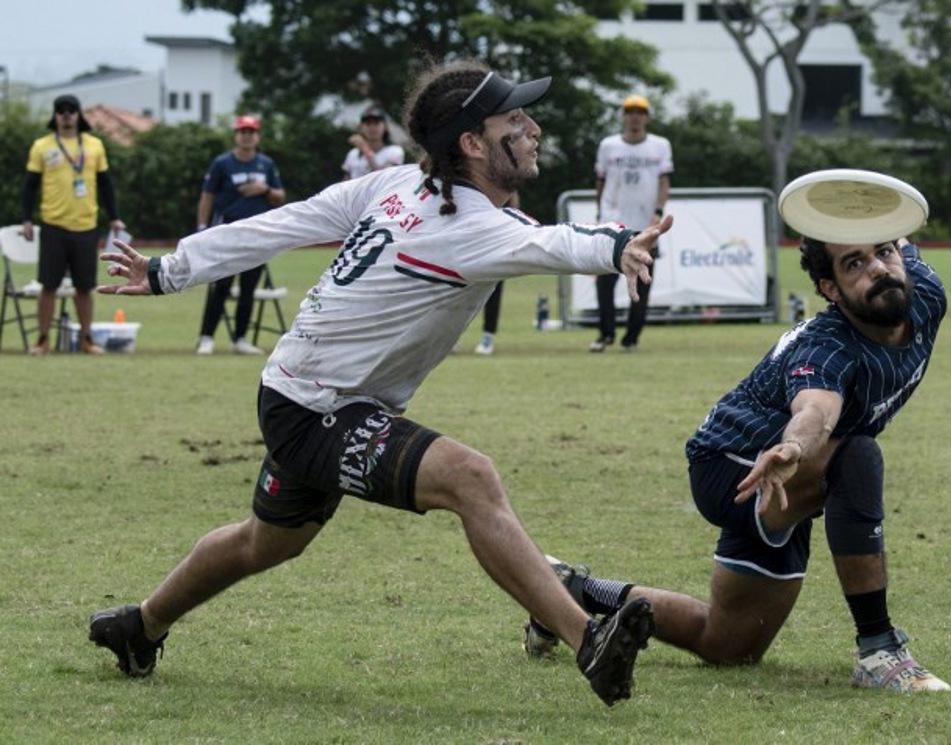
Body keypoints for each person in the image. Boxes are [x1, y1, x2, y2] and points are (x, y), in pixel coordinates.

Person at [87, 61, 667, 707]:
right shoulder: (467, 225)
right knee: (469, 477)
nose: (532, 127)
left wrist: (172, 268)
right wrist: (618, 246)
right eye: (514, 119)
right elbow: (562, 242)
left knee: (266, 541)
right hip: (316, 407)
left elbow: (286, 223)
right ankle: (589, 640)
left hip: (296, 392)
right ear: (472, 144)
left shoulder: (400, 184)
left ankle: (140, 626)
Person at [524, 225, 951, 692]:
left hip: (795, 473)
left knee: (729, 646)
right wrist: (792, 448)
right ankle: (879, 649)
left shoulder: (924, 293)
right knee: (858, 456)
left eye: (884, 253)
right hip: (732, 465)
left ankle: (568, 590)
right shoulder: (827, 346)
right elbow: (815, 411)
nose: (878, 268)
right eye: (854, 264)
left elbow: (895, 225)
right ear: (830, 289)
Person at [20, 94, 125, 355]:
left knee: (84, 287)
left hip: (86, 226)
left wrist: (114, 216)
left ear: (79, 115)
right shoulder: (42, 146)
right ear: (55, 116)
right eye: (61, 111)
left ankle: (87, 339)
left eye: (71, 110)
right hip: (54, 225)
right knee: (49, 286)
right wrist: (26, 218)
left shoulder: (94, 145)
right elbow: (30, 187)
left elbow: (106, 184)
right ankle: (43, 340)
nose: (66, 115)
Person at [194, 115, 286, 355]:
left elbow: (279, 196)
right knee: (221, 285)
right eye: (242, 131)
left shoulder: (266, 164)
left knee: (248, 288)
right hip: (228, 232)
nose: (246, 136)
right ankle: (206, 338)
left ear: (257, 136)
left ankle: (240, 338)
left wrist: (263, 189)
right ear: (236, 135)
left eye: (251, 131)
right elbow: (207, 196)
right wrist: (202, 227)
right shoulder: (222, 163)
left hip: (257, 234)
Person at [590, 94, 672, 352]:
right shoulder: (608, 145)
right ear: (623, 116)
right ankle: (606, 334)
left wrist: (658, 211)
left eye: (639, 111)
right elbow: (600, 181)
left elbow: (664, 181)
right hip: (613, 221)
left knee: (642, 282)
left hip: (645, 224)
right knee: (604, 280)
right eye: (629, 111)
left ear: (647, 117)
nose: (634, 116)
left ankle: (632, 338)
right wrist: (599, 212)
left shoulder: (660, 145)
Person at [474, 193, 520, 356]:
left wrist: (512, 226)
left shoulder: (500, 174)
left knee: (493, 287)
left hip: (494, 234)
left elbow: (512, 194)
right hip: (471, 232)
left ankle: (488, 335)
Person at [342, 105, 406, 180]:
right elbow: (346, 181)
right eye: (368, 124)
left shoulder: (394, 151)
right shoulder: (353, 154)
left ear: (385, 127)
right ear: (361, 127)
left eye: (376, 123)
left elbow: (386, 179)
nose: (372, 127)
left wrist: (365, 150)